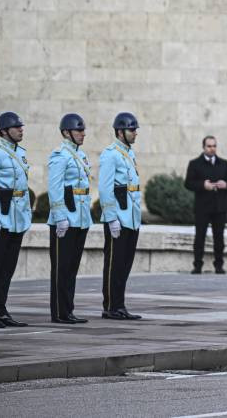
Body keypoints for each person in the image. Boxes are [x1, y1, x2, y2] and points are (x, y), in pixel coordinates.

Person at [47, 113, 93, 324]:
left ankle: (68, 310)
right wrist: (60, 217)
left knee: (72, 268)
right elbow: (55, 188)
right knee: (61, 268)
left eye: (83, 130)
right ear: (66, 133)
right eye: (79, 130)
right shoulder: (60, 155)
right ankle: (59, 312)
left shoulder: (80, 155)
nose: (83, 134)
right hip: (65, 219)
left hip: (80, 218)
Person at [0, 112, 32, 328]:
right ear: (4, 131)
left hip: (17, 219)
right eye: (16, 127)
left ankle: (1, 309)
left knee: (7, 269)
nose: (21, 129)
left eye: (21, 126)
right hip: (1, 218)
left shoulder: (20, 153)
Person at [99, 112, 143, 320]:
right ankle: (110, 306)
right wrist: (111, 217)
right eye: (131, 130)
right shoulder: (111, 154)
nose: (135, 133)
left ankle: (120, 304)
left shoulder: (128, 153)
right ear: (120, 132)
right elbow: (105, 188)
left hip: (131, 217)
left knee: (125, 264)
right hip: (118, 217)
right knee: (114, 265)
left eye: (135, 129)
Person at [184, 136, 227, 275]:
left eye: (214, 146)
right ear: (203, 147)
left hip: (220, 207)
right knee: (199, 237)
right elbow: (188, 183)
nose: (212, 149)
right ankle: (197, 266)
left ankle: (219, 265)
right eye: (209, 146)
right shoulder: (195, 164)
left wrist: (226, 184)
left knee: (219, 237)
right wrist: (203, 185)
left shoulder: (223, 163)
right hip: (202, 207)